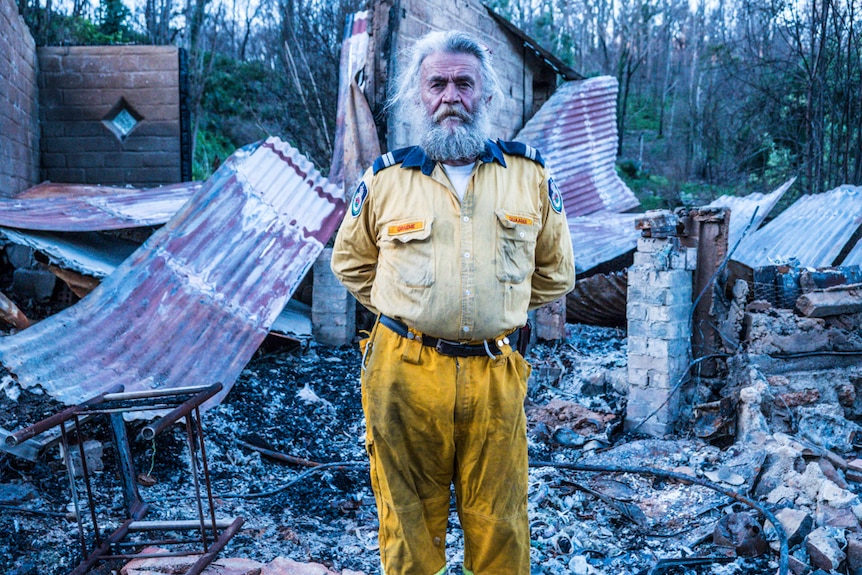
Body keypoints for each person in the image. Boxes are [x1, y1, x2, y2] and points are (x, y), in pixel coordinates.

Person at [331, 30, 575, 575]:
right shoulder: (386, 180)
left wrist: (497, 307)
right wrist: (408, 312)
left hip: (494, 377)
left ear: (486, 94)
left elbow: (556, 273)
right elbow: (349, 263)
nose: (450, 96)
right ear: (419, 96)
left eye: (464, 83)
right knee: (409, 522)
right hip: (403, 374)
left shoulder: (529, 176)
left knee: (502, 524)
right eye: (436, 83)